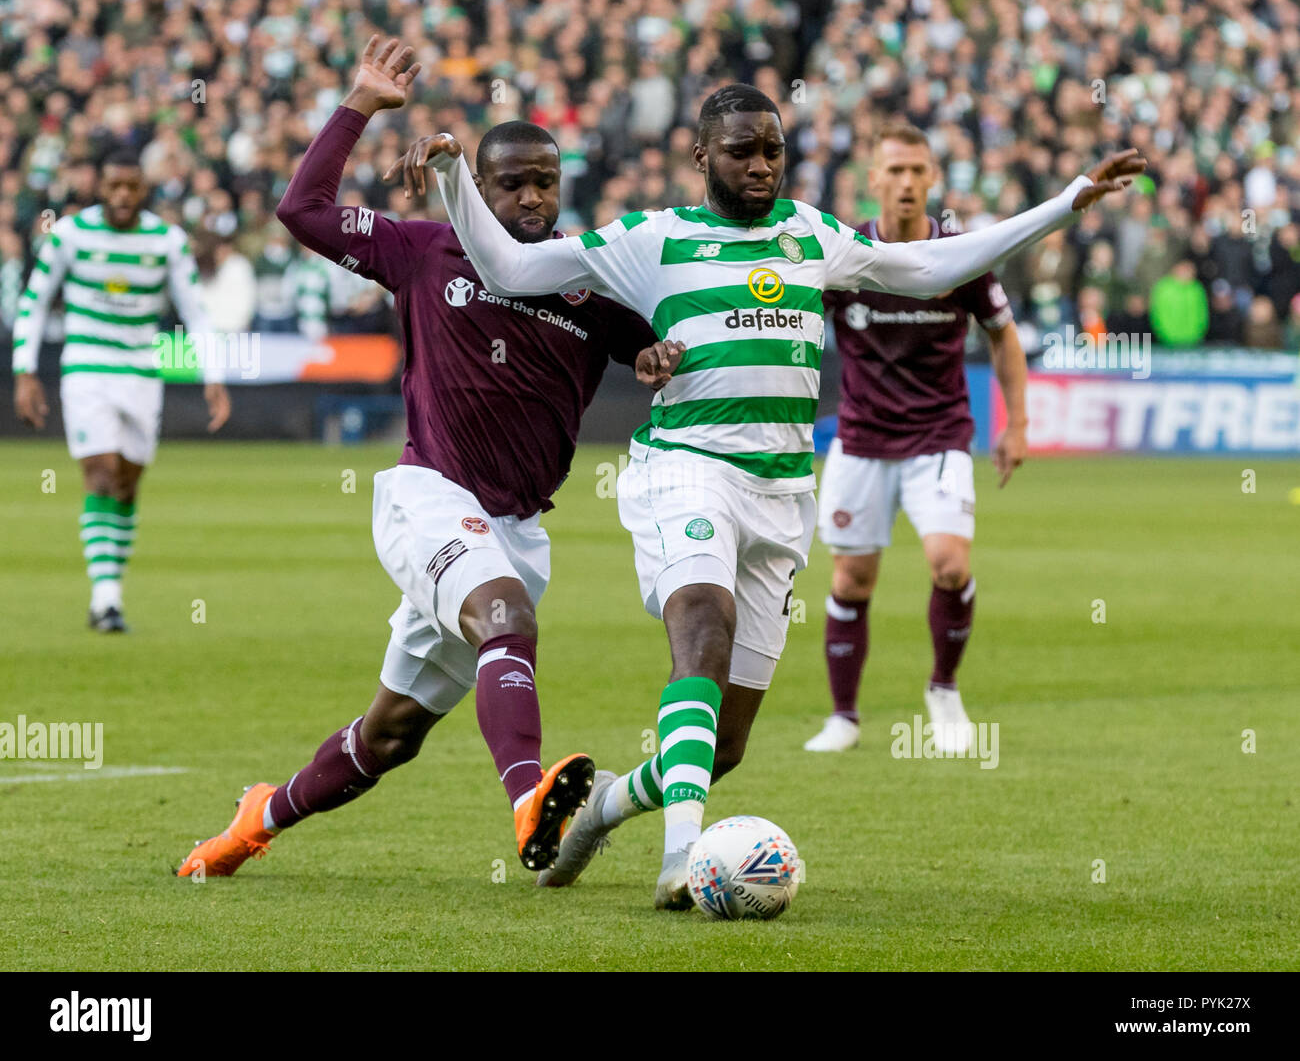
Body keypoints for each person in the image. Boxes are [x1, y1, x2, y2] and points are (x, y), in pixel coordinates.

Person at [414, 83, 1144, 908]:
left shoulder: (813, 234)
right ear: (700, 156)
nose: (761, 166)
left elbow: (933, 264)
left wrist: (1067, 202)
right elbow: (509, 265)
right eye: (741, 151)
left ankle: (606, 807)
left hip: (782, 491)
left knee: (722, 747)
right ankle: (682, 861)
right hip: (684, 466)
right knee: (701, 628)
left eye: (773, 150)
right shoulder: (650, 240)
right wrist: (453, 183)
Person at [175, 37, 673, 880]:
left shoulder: (590, 282)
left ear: (562, 186)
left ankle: (259, 816)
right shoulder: (422, 250)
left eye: (543, 181)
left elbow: (653, 346)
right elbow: (301, 210)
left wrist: (660, 357)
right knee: (507, 620)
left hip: (516, 529)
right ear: (478, 186)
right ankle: (527, 801)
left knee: (390, 737)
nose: (529, 196)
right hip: (429, 496)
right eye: (510, 181)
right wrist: (361, 104)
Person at [803, 124, 1028, 754]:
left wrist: (1020, 424)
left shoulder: (961, 257)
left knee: (949, 564)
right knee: (851, 581)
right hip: (862, 439)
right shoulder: (845, 257)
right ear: (872, 179)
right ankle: (843, 717)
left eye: (917, 171)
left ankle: (944, 689)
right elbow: (794, 325)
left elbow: (1004, 336)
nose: (905, 182)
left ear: (933, 180)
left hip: (939, 436)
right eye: (894, 171)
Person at [11, 149, 231, 633]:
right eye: (114, 186)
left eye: (131, 187)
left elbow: (194, 311)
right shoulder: (70, 234)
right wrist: (24, 371)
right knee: (101, 472)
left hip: (141, 371)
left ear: (143, 189)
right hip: (87, 367)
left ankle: (109, 591)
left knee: (128, 483)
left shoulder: (167, 241)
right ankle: (106, 599)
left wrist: (212, 376)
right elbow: (35, 301)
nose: (123, 196)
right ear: (100, 187)